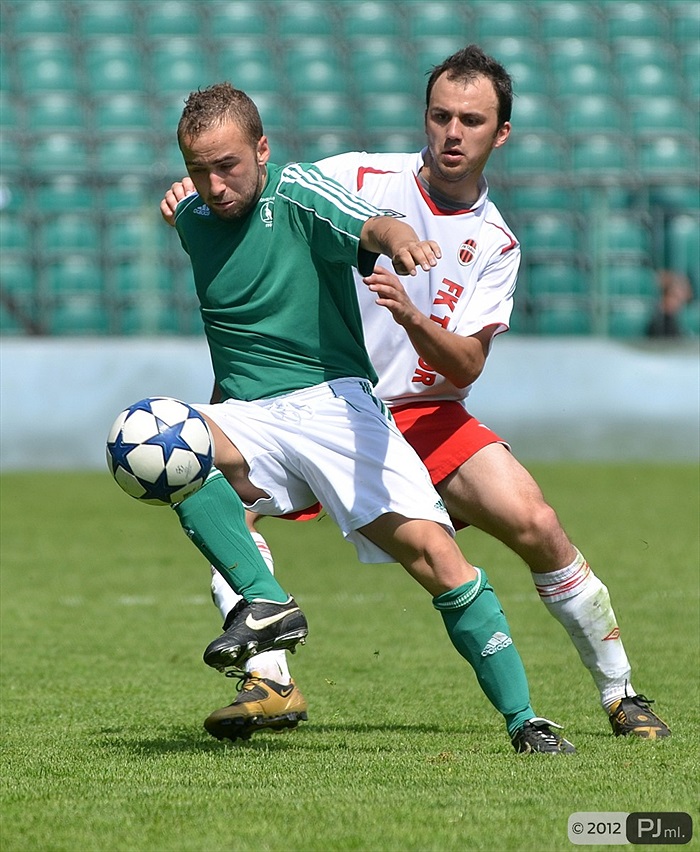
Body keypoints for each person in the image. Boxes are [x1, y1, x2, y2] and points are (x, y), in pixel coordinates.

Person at [163, 47, 671, 745]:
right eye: (440, 116)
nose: (452, 132)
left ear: (501, 134)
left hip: (423, 413)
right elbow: (259, 189)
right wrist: (192, 193)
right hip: (317, 404)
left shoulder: (495, 242)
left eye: (472, 120)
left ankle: (620, 693)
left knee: (538, 524)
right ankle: (270, 679)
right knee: (214, 494)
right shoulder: (358, 175)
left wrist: (413, 319)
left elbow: (467, 364)